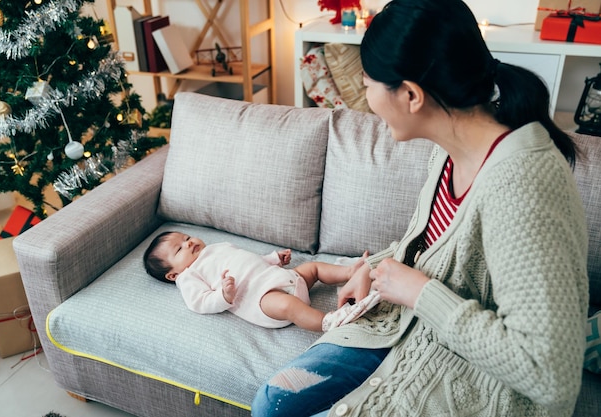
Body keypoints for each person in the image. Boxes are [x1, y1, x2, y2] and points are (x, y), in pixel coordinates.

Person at [251, 0, 589, 416]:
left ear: (411, 94)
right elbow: (433, 252)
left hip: (478, 377)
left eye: (368, 82)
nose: (365, 94)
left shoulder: (522, 186)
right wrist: (373, 271)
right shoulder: (450, 150)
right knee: (273, 403)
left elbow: (549, 375)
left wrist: (419, 293)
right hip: (407, 331)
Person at [143, 231, 368, 332]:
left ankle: (350, 272)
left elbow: (248, 260)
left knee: (312, 268)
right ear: (172, 275)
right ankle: (329, 322)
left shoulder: (215, 248)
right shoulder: (188, 277)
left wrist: (273, 259)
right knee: (289, 306)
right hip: (262, 299)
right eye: (179, 249)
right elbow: (199, 302)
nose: (188, 243)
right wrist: (223, 295)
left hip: (279, 277)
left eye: (186, 238)